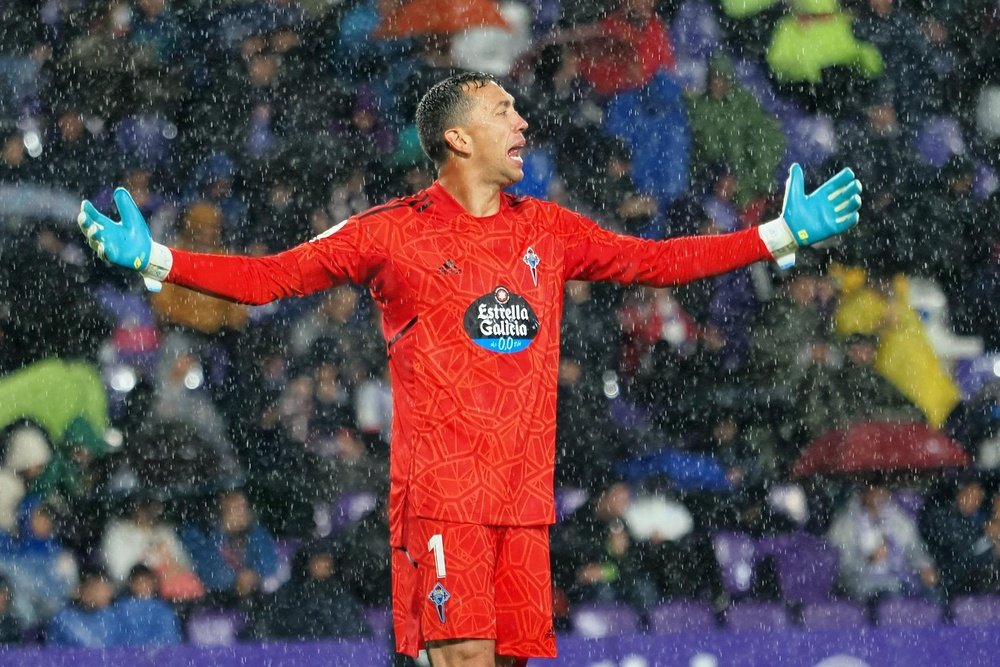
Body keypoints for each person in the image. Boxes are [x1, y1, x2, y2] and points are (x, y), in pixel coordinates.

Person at [77, 71, 862, 666]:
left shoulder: (549, 229)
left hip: (523, 500)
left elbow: (655, 262)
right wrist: (156, 257)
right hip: (443, 496)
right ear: (457, 138)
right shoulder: (393, 232)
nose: (523, 121)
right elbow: (271, 276)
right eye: (503, 111)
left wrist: (777, 236)